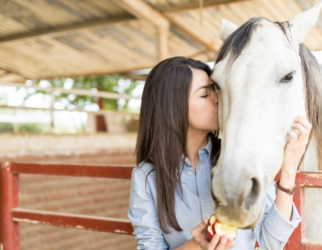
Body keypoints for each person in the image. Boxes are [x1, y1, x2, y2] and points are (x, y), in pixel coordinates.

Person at [128, 57, 311, 250]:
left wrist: (289, 168)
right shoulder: (146, 176)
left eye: (215, 90)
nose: (218, 98)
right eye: (205, 95)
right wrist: (198, 245)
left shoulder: (240, 157)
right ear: (173, 107)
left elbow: (271, 242)